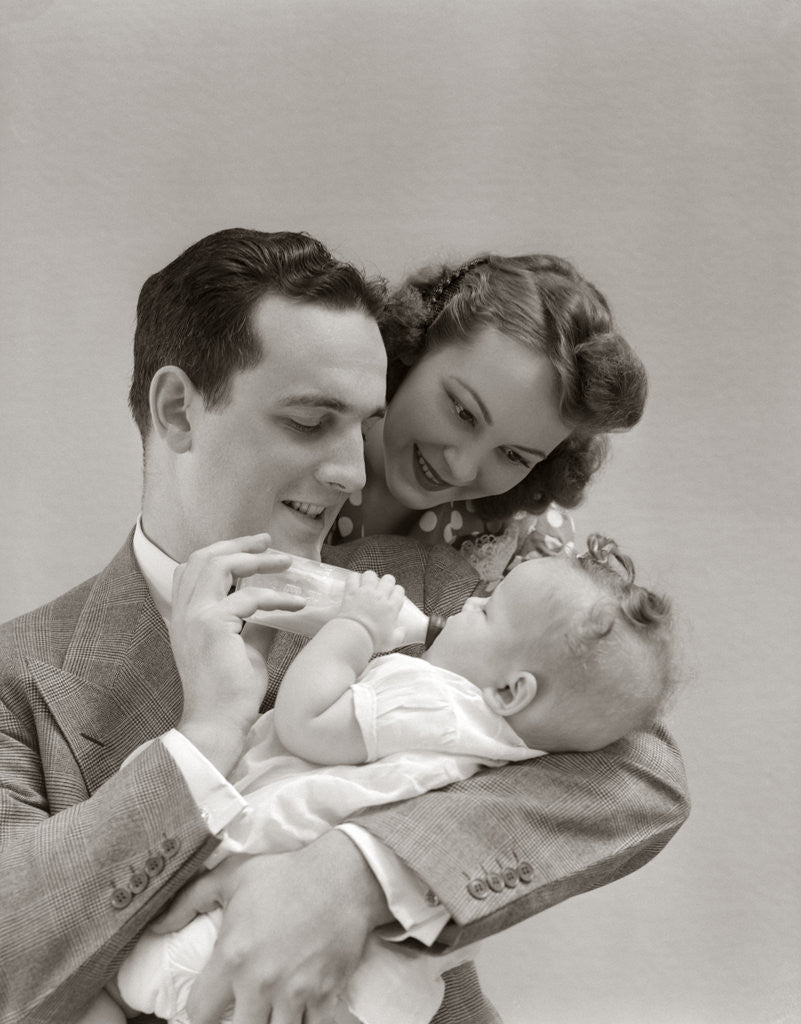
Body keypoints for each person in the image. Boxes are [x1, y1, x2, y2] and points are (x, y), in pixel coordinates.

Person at [0, 228, 689, 1024]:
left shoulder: (431, 588)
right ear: (177, 409)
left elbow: (639, 771)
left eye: (360, 423)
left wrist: (355, 871)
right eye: (308, 420)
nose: (355, 471)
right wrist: (203, 740)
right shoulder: (22, 674)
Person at [101, 535, 675, 1024]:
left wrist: (355, 627)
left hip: (258, 857)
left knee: (141, 975)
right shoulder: (508, 743)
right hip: (372, 964)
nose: (469, 600)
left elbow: (308, 722)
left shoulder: (434, 699)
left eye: (486, 609)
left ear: (511, 690)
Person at [329, 253, 646, 587]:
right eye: (464, 413)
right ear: (414, 343)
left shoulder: (522, 550)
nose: (460, 468)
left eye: (513, 455)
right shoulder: (293, 441)